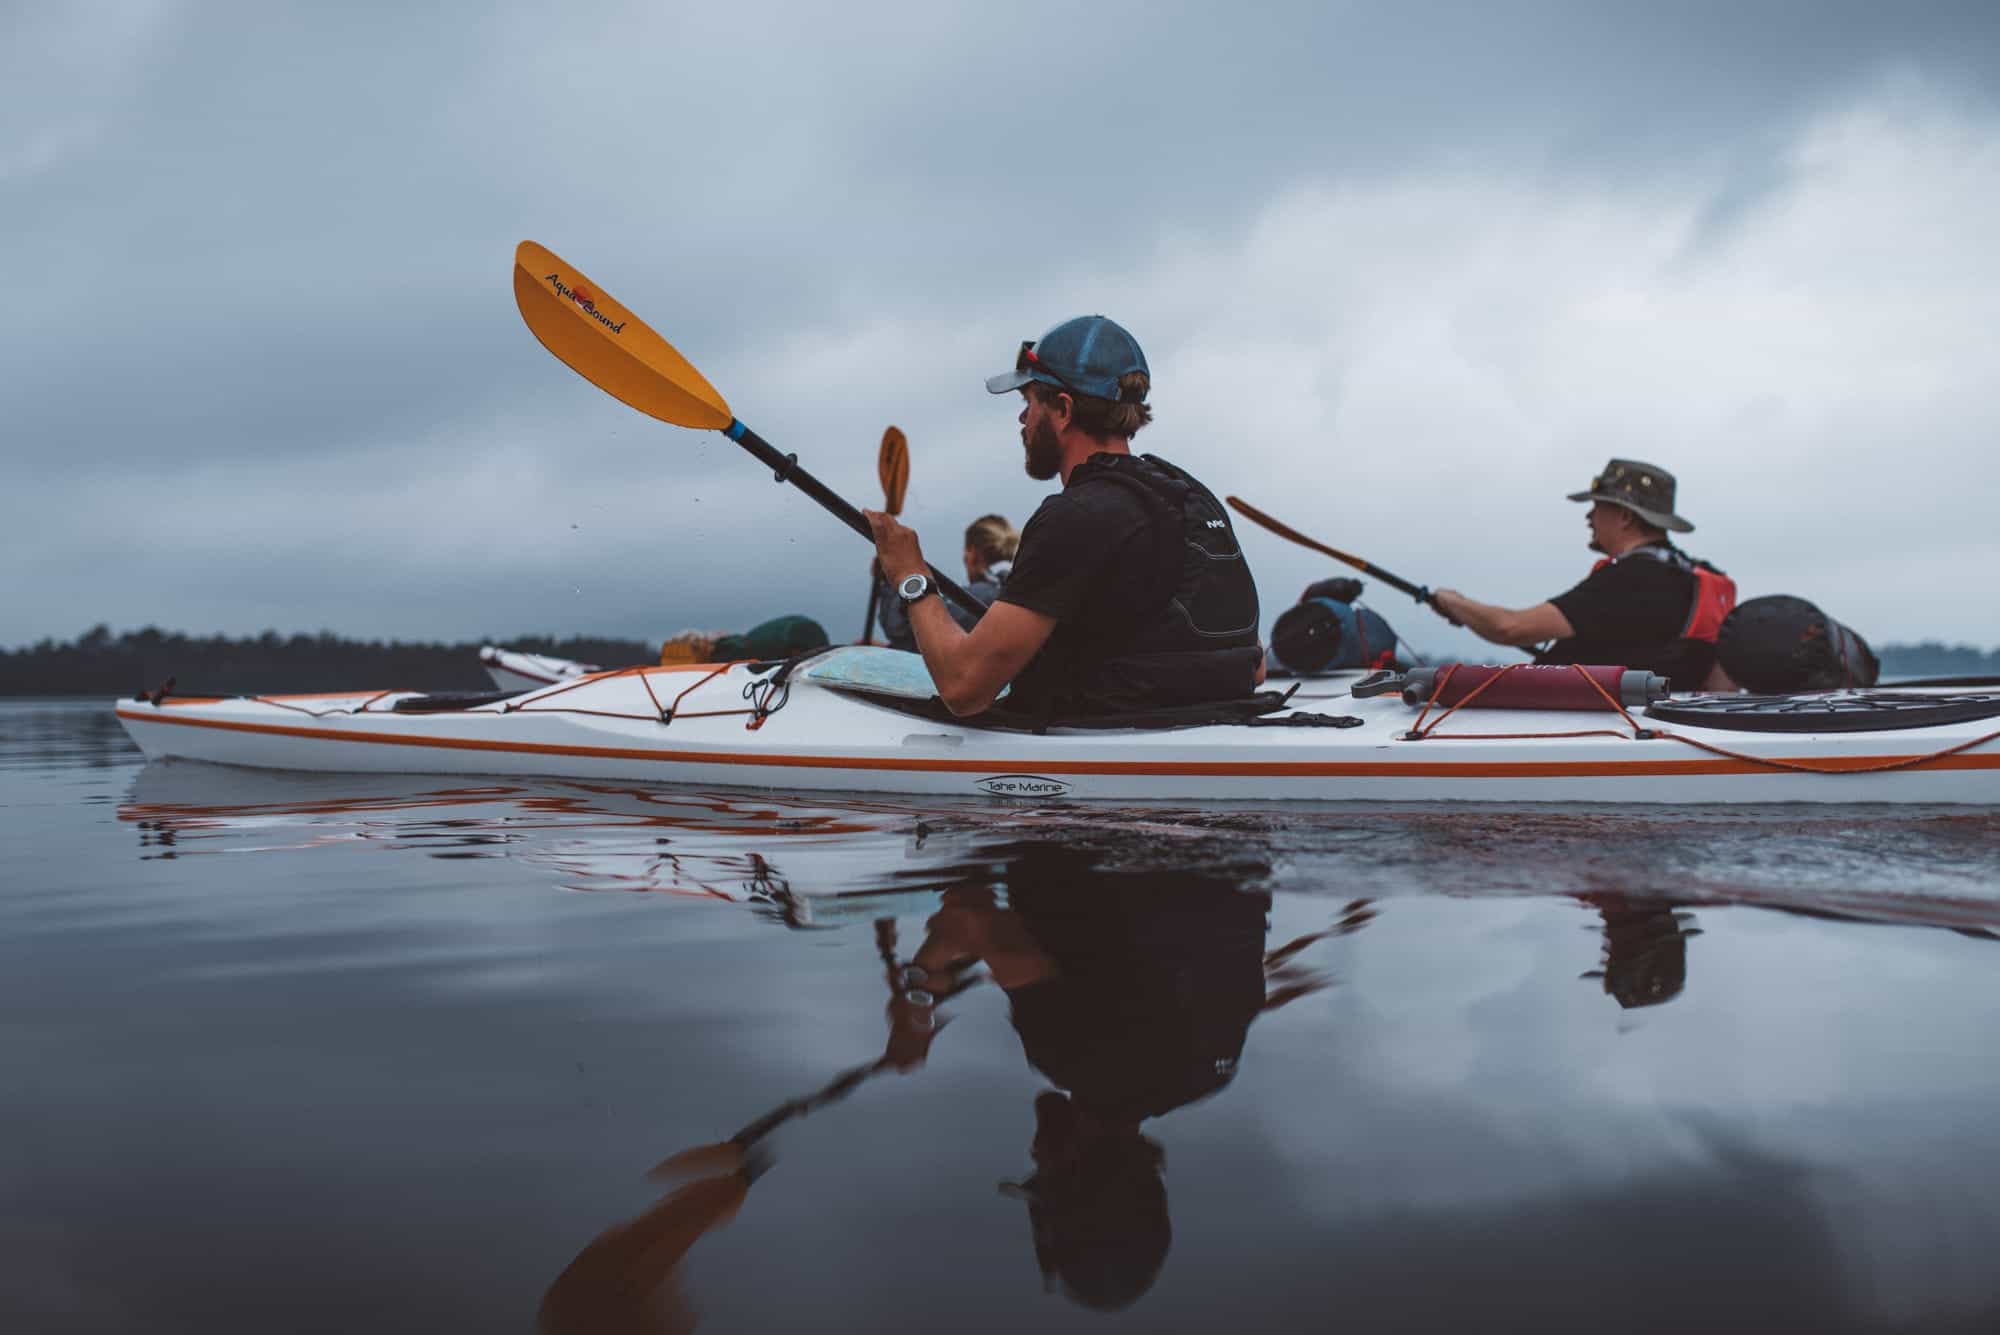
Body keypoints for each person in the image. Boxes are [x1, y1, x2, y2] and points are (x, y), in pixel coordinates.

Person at [864, 316, 1263, 719]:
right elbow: (1254, 667)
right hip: (1205, 728)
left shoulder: (1077, 516)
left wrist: (909, 575)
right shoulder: (1190, 496)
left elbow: (963, 688)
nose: (1023, 420)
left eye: (1029, 402)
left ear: (1063, 409)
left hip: (1102, 758)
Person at [1428, 458, 1736, 691]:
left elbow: (1509, 628)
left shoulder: (1632, 578)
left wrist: (1455, 602)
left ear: (1625, 517)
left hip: (1589, 728)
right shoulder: (1694, 577)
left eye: (1597, 507)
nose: (1589, 517)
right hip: (1643, 727)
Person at [873, 514, 1019, 649]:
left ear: (972, 554)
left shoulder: (983, 595)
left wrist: (892, 580)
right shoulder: (1010, 594)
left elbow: (901, 630)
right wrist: (887, 650)